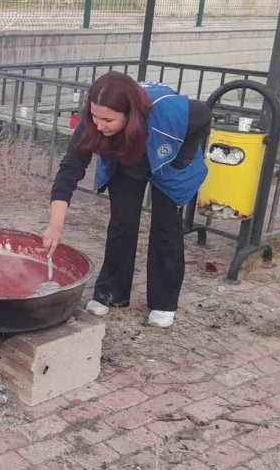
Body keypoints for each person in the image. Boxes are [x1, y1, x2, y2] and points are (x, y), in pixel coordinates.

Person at [43, 72, 211, 329]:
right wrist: (55, 224)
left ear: (129, 113)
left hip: (167, 156)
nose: (99, 125)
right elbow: (70, 169)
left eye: (108, 119)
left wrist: (183, 157)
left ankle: (164, 302)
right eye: (95, 117)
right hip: (127, 155)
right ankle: (112, 293)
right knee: (122, 222)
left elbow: (202, 116)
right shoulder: (95, 122)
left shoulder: (168, 112)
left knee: (166, 227)